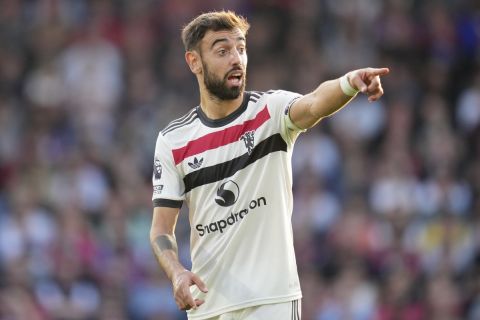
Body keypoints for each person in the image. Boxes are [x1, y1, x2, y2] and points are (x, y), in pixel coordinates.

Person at [150, 10, 389, 320]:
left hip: (271, 300)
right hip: (208, 306)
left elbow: (315, 102)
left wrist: (349, 83)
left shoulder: (270, 112)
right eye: (223, 51)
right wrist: (177, 273)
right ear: (194, 62)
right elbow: (161, 229)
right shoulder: (173, 141)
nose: (236, 58)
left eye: (241, 48)